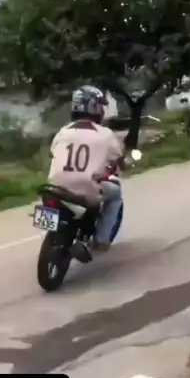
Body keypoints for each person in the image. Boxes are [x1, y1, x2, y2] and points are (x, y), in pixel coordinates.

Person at [47, 85, 125, 255]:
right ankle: (102, 240)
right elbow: (117, 158)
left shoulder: (63, 132)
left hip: (55, 186)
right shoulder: (105, 134)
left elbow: (52, 153)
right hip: (85, 188)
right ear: (94, 107)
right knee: (115, 195)